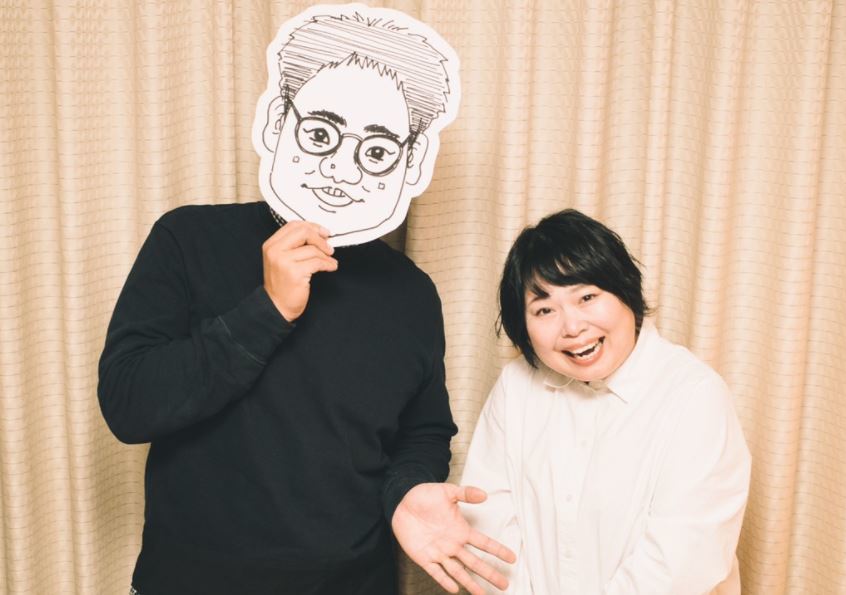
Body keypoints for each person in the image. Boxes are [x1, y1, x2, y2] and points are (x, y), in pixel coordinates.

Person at [98, 7, 512, 595]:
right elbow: (128, 405)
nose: (341, 170)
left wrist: (408, 490)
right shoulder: (187, 239)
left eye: (376, 152)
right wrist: (267, 309)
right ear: (276, 123)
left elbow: (423, 431)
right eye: (319, 135)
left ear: (412, 160)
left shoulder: (410, 292)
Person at [460, 209, 752, 594]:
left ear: (625, 290)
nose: (572, 327)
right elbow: (487, 520)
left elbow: (681, 562)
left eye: (587, 297)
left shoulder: (695, 396)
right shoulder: (516, 385)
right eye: (544, 310)